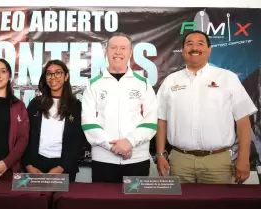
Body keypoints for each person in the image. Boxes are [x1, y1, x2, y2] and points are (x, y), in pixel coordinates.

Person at [156, 30, 257, 184]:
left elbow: (243, 120)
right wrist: (161, 155)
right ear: (183, 51)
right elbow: (161, 120)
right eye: (189, 44)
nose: (194, 48)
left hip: (218, 162)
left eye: (200, 44)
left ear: (209, 50)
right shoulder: (171, 81)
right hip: (179, 161)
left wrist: (243, 158)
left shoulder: (227, 78)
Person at [81, 32, 158, 183]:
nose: (118, 52)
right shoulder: (93, 84)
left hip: (136, 158)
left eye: (123, 48)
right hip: (103, 160)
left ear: (130, 53)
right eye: (113, 48)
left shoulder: (143, 83)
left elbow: (151, 121)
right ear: (106, 52)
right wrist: (113, 147)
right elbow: (88, 122)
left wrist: (129, 142)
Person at [23, 60, 84, 182]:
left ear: (66, 76)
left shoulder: (76, 106)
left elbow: (79, 140)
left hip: (64, 167)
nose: (53, 77)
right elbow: (24, 136)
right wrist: (28, 165)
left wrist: (62, 167)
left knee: (63, 201)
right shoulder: (35, 104)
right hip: (36, 166)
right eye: (49, 73)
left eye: (58, 73)